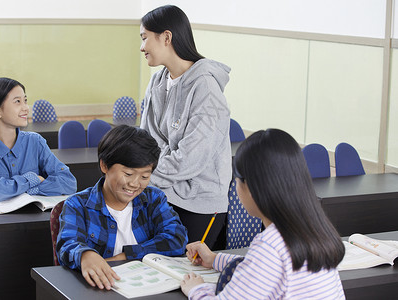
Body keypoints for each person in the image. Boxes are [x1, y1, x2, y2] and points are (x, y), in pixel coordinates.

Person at [181, 129, 346, 299]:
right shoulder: (314, 230)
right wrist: (215, 259)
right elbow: (261, 269)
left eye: (236, 181)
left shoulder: (270, 246)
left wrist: (196, 289)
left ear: (252, 188)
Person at [139, 5, 231, 250]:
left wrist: (143, 175)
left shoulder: (206, 88)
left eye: (144, 37)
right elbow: (145, 140)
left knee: (182, 273)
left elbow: (191, 159)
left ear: (166, 37)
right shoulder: (157, 82)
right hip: (164, 193)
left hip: (201, 203)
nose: (141, 47)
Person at [57, 125, 188, 290]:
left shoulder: (153, 199)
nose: (134, 184)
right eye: (128, 174)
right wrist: (85, 255)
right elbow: (67, 245)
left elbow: (176, 238)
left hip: (147, 288)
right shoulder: (77, 205)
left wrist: (125, 256)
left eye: (145, 176)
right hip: (100, 290)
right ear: (104, 166)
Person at [0, 77, 77, 201]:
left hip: (30, 217)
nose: (26, 108)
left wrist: (31, 189)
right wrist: (33, 179)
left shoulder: (35, 141)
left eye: (25, 100)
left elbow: (68, 182)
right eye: (17, 101)